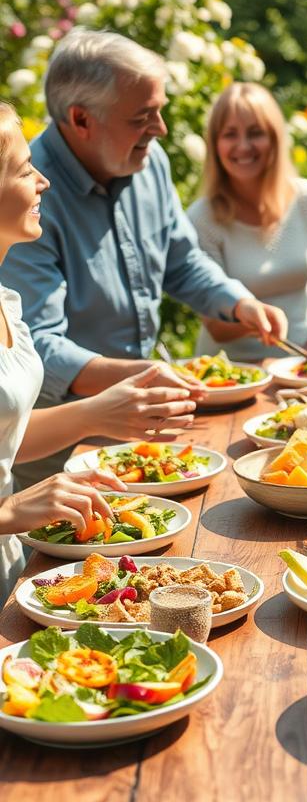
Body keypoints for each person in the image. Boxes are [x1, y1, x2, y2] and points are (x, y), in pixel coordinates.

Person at [0, 28, 288, 487]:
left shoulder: (148, 161)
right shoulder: (24, 197)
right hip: (55, 457)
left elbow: (180, 259)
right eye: (143, 116)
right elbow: (42, 346)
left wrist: (238, 302)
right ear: (81, 119)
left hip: (139, 430)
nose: (161, 129)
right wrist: (147, 377)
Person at [0, 101, 204, 601]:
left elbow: (5, 440)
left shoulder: (6, 301)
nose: (43, 182)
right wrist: (9, 511)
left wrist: (96, 413)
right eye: (25, 170)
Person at [188, 82, 307, 361]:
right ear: (214, 145)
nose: (243, 146)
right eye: (230, 134)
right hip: (232, 375)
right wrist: (261, 322)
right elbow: (215, 326)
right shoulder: (202, 219)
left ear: (275, 138)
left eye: (255, 133)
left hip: (303, 364)